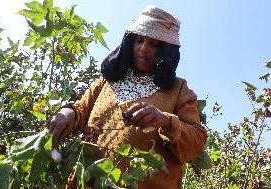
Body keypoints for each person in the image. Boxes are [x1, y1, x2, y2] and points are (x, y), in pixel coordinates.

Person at [48, 5, 207, 189]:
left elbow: (197, 142)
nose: (143, 48)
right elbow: (81, 110)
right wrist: (68, 112)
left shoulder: (179, 90)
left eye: (154, 44)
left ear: (166, 51)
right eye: (139, 40)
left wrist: (165, 121)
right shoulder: (107, 81)